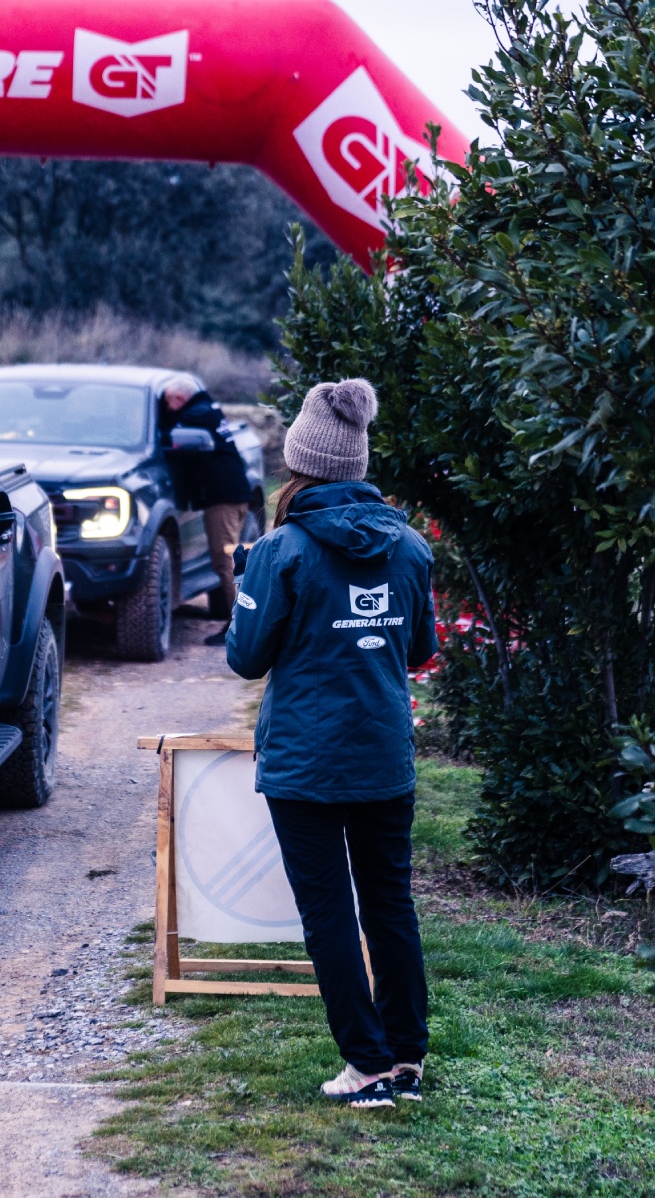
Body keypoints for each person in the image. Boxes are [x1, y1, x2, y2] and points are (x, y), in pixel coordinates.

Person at [224, 378, 437, 1109]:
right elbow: (417, 651)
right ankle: (405, 1059)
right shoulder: (409, 548)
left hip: (305, 766)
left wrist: (242, 588)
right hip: (384, 756)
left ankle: (366, 1065)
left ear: (300, 463)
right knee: (389, 904)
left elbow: (246, 657)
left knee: (330, 915)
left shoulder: (279, 550)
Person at [159, 375, 256, 644]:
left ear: (179, 398)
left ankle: (240, 628)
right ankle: (240, 622)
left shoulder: (195, 417)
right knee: (232, 560)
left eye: (169, 401)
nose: (168, 407)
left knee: (225, 561)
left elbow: (167, 438)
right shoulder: (206, 409)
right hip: (233, 493)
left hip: (222, 499)